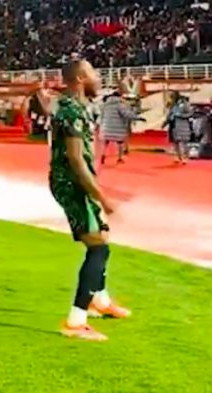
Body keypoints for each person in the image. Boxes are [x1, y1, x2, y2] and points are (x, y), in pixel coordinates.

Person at [50, 59, 130, 342]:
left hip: (75, 182)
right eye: (93, 73)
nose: (98, 77)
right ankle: (76, 320)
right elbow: (75, 159)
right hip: (73, 184)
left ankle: (101, 300)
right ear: (81, 78)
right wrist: (102, 197)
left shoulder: (76, 105)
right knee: (98, 247)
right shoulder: (72, 109)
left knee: (101, 237)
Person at [98, 91, 140, 166]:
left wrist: (100, 125)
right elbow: (126, 114)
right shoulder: (120, 105)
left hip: (106, 127)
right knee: (120, 143)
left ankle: (103, 154)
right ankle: (119, 158)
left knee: (105, 143)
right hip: (117, 128)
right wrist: (136, 117)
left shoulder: (105, 105)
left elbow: (101, 116)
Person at [166, 92, 194, 164]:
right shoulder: (172, 105)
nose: (171, 99)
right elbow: (170, 113)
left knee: (183, 142)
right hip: (173, 124)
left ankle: (185, 157)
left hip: (182, 125)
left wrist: (180, 115)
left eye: (172, 97)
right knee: (175, 142)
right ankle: (177, 156)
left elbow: (190, 113)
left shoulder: (184, 104)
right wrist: (167, 121)